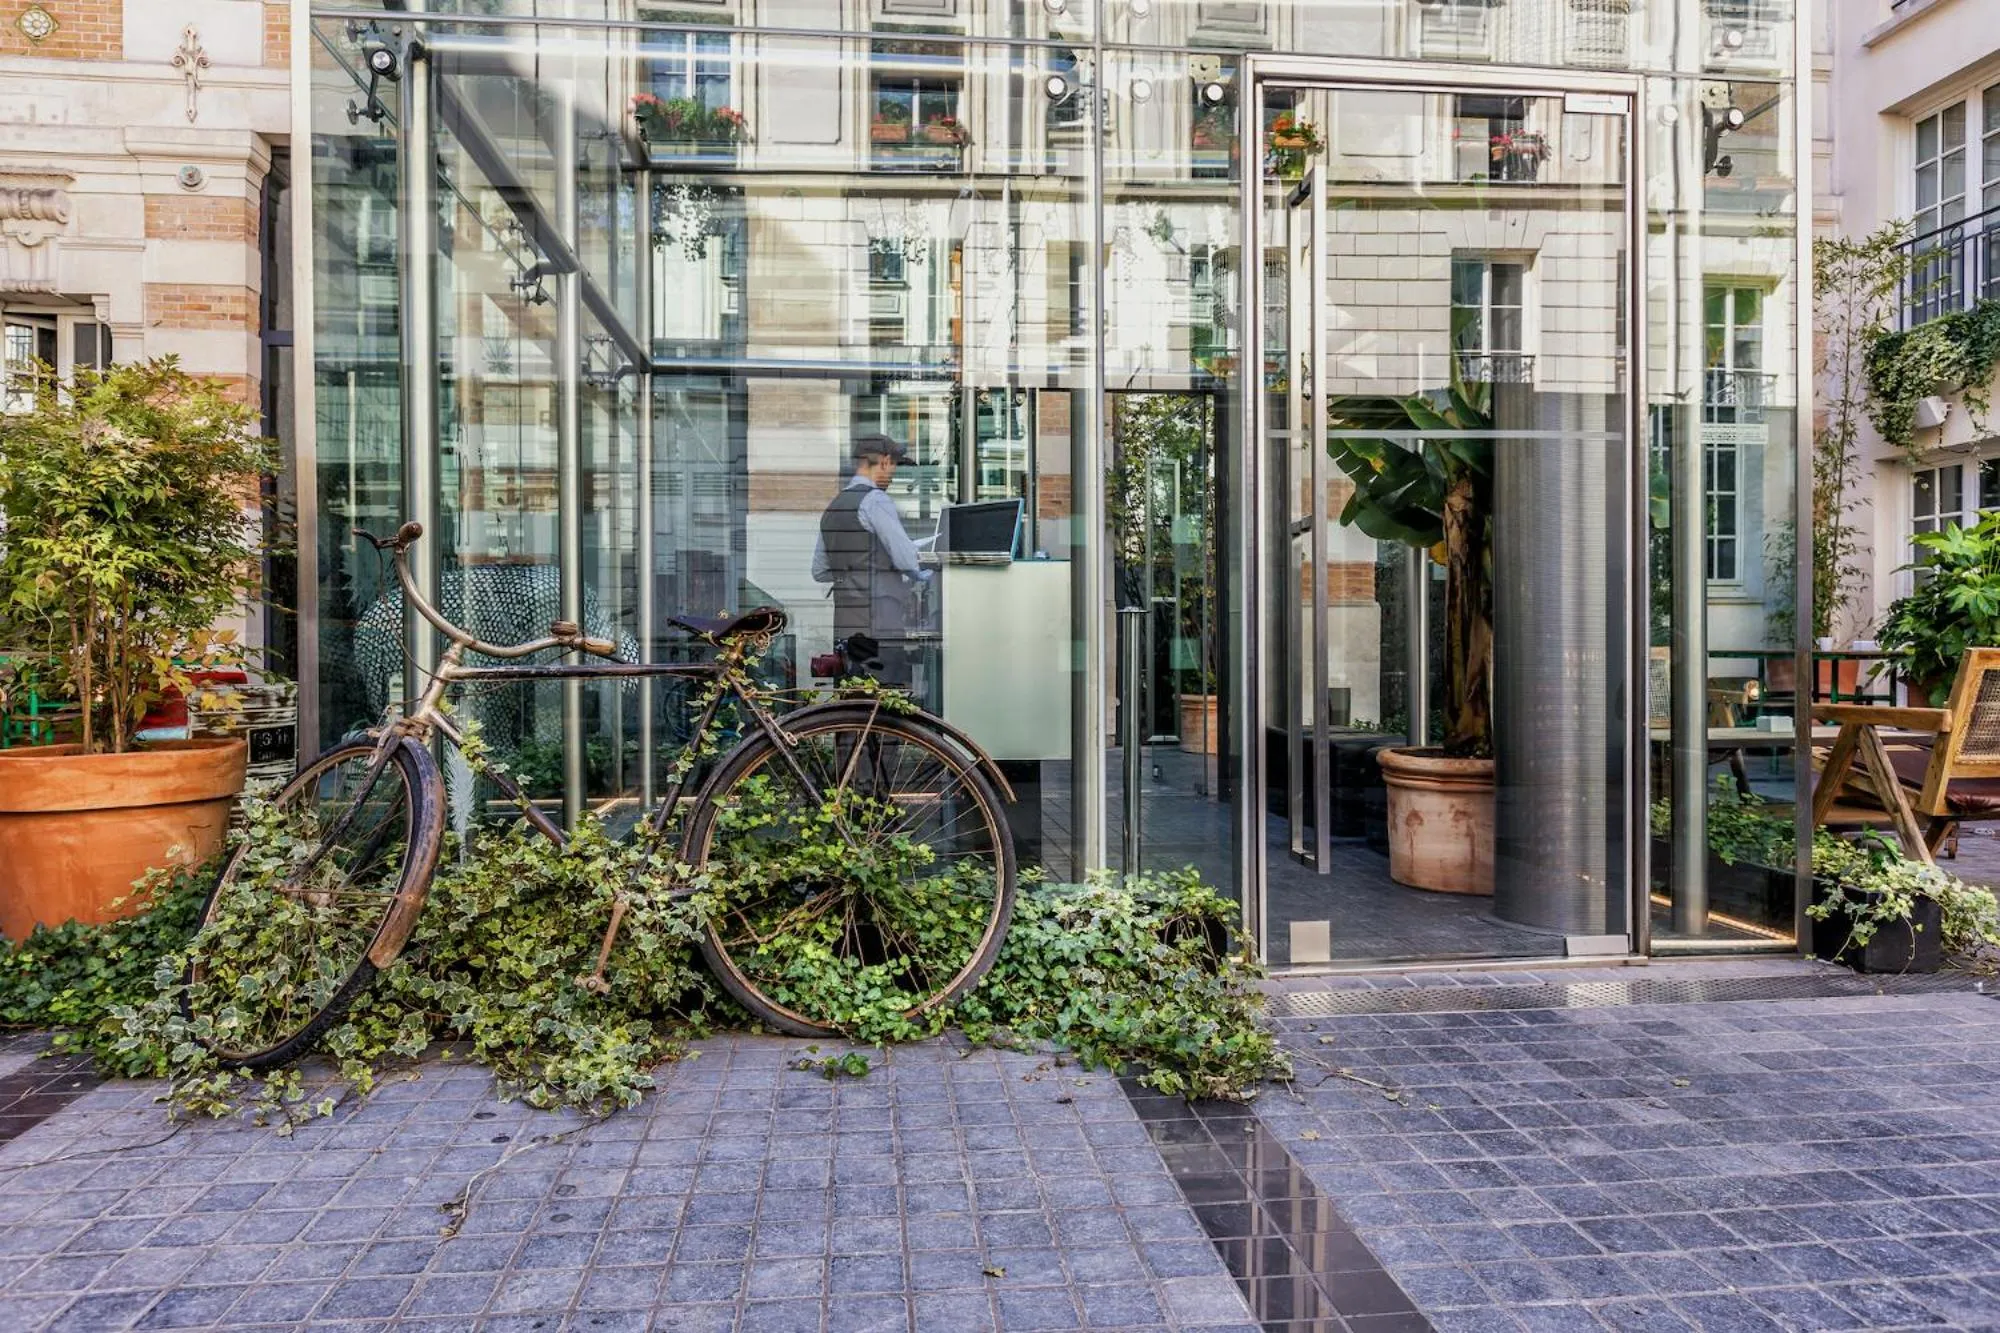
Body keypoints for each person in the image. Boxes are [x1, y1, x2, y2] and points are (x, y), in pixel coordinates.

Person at [811, 434, 931, 685]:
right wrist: (929, 575)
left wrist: (854, 571)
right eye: (894, 465)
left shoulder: (833, 506)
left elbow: (819, 571)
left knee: (852, 693)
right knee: (886, 696)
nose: (893, 475)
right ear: (884, 461)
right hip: (881, 621)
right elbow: (907, 560)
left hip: (845, 624)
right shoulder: (876, 500)